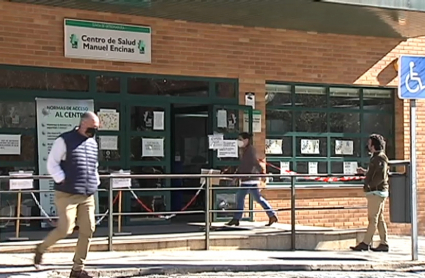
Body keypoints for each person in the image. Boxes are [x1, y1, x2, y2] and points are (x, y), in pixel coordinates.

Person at [34, 112, 100, 278]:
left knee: (88, 229)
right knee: (65, 229)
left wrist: (95, 180)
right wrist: (62, 179)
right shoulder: (64, 140)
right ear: (83, 124)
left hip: (87, 194)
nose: (95, 131)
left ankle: (77, 269)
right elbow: (52, 163)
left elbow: (94, 165)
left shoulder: (92, 143)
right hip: (67, 194)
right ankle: (41, 248)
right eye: (93, 127)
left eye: (97, 128)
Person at [226, 132, 278, 227]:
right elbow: (244, 166)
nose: (239, 141)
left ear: (246, 140)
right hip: (250, 178)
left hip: (249, 178)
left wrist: (262, 173)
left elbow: (255, 163)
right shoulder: (246, 150)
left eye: (241, 139)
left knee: (240, 197)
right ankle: (272, 215)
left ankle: (236, 218)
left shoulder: (250, 151)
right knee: (258, 198)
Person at [350, 134, 389, 252]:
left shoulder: (380, 158)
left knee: (373, 219)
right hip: (377, 191)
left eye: (369, 142)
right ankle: (384, 243)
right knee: (379, 218)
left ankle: (365, 243)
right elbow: (375, 173)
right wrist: (365, 172)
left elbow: (380, 176)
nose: (368, 145)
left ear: (373, 145)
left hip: (376, 192)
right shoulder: (376, 157)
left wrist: (369, 185)